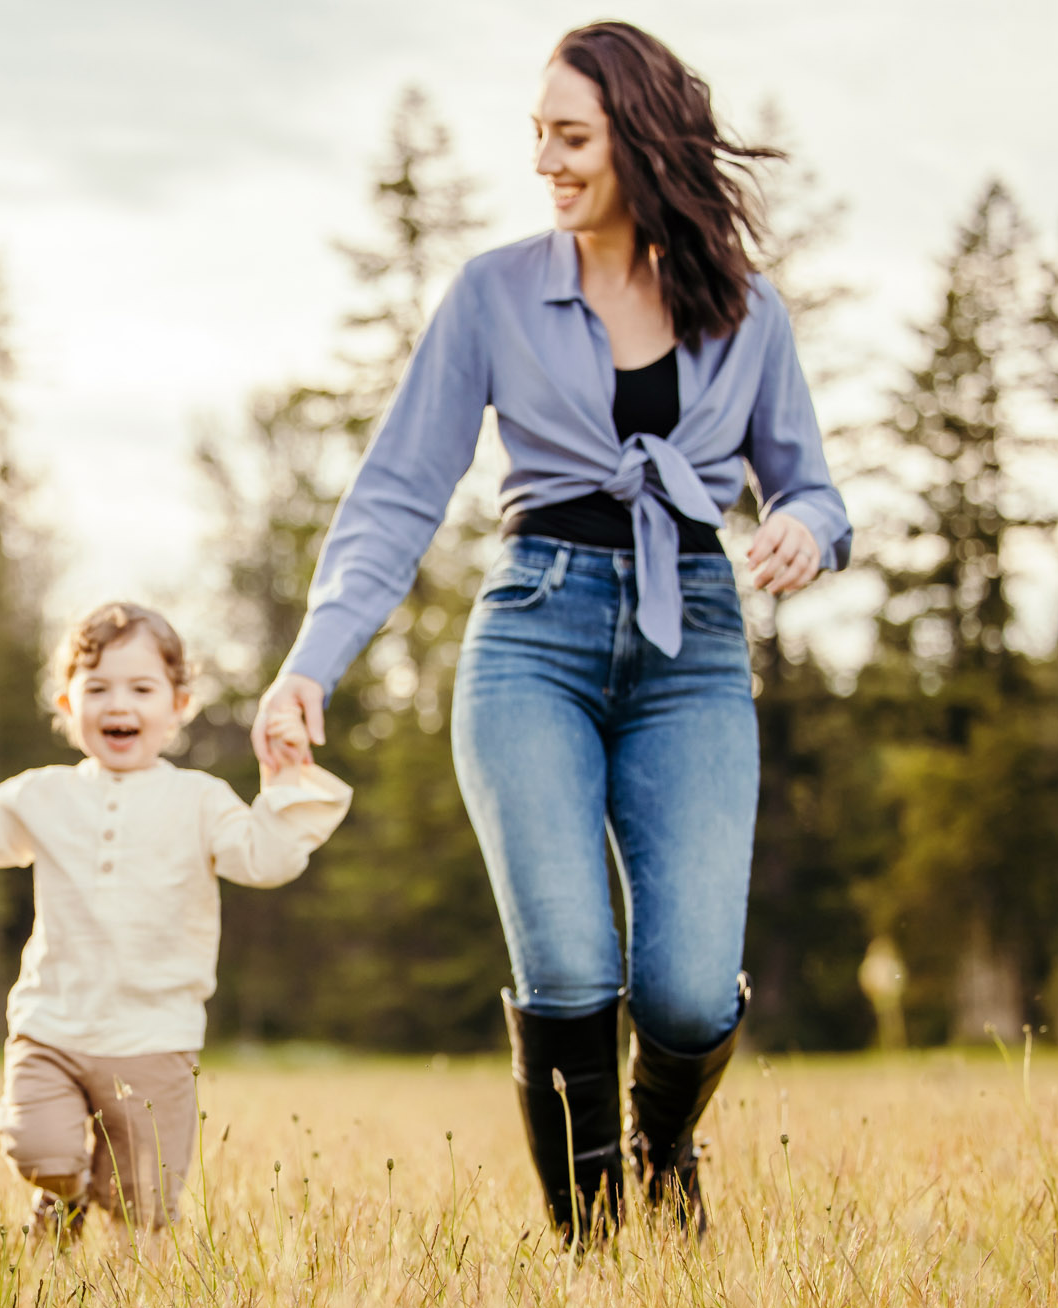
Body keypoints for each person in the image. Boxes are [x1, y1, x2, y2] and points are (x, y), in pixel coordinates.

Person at [255, 23, 851, 1242]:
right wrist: (312, 660)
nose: (545, 161)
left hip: (691, 646)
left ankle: (666, 1140)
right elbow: (400, 490)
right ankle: (594, 1252)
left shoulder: (747, 311)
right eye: (538, 134)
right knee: (571, 963)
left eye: (570, 136)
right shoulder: (492, 293)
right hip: (534, 633)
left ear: (641, 139)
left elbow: (813, 486)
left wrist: (803, 527)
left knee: (687, 992)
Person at [0, 604, 351, 1234]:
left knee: (144, 1198)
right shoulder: (43, 794)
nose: (119, 705)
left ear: (179, 704)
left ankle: (128, 1282)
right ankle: (62, 1195)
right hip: (52, 1023)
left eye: (141, 689)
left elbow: (265, 859)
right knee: (40, 1149)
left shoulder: (199, 800)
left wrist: (287, 776)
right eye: (98, 688)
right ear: (66, 702)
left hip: (154, 1033)